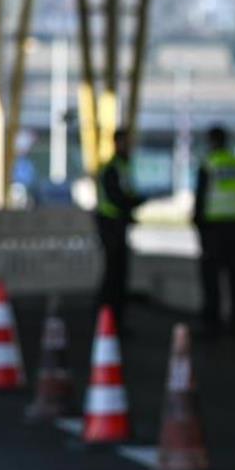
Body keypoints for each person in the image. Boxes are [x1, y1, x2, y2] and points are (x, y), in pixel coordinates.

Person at [194, 125, 235, 333]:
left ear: (211, 142)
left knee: (211, 279)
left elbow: (200, 200)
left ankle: (212, 323)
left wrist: (199, 229)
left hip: (214, 228)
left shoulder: (209, 164)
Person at [95, 128, 145, 330]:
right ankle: (109, 318)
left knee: (117, 273)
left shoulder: (124, 167)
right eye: (126, 142)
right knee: (114, 274)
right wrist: (134, 203)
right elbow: (117, 197)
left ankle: (112, 318)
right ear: (117, 143)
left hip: (117, 224)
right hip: (110, 224)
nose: (129, 147)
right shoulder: (113, 167)